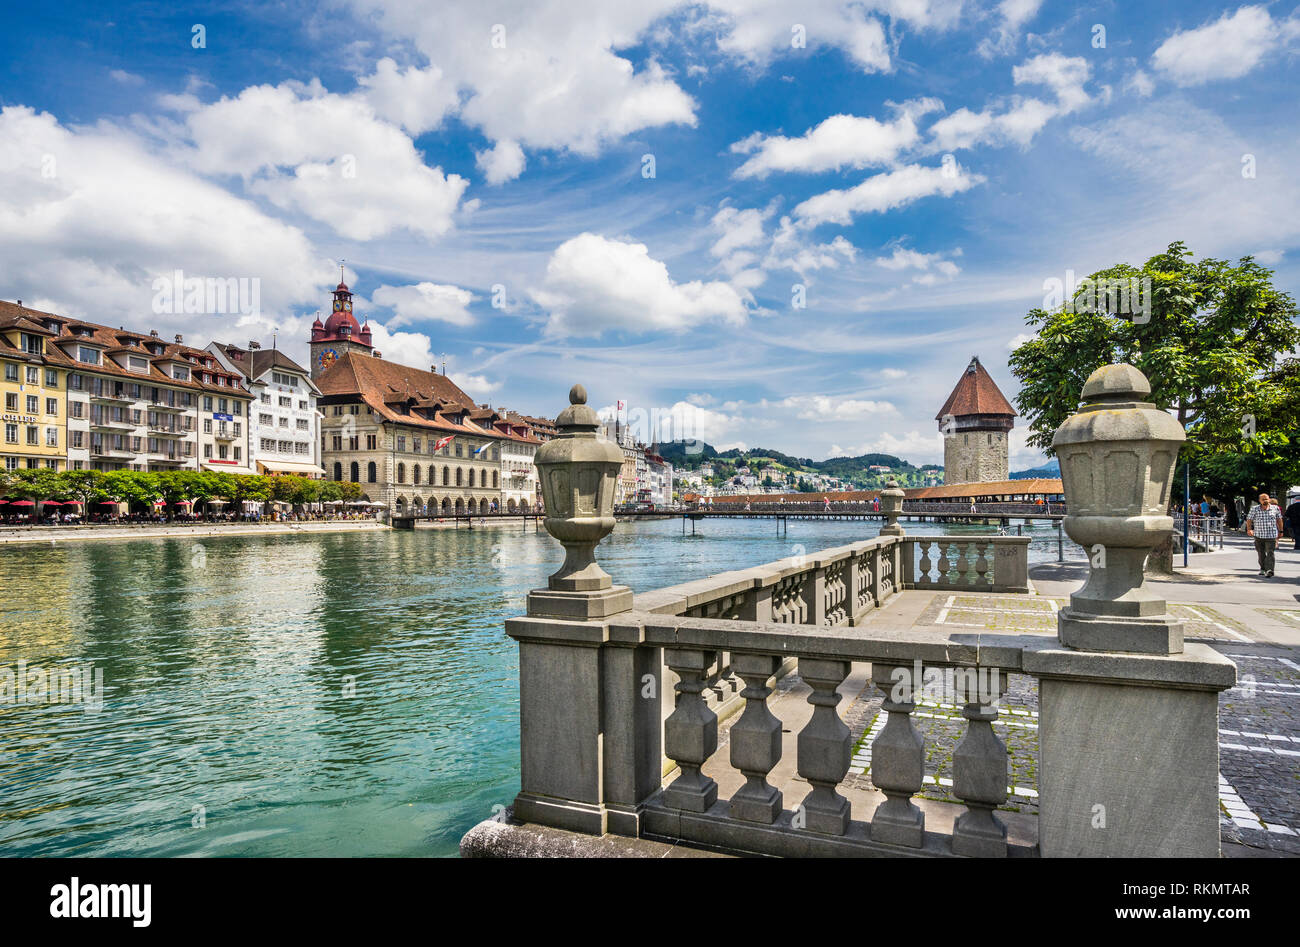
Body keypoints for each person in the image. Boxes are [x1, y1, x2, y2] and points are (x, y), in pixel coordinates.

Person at [1245, 493, 1284, 577]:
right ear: (1259, 501)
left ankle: (1270, 570)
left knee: (1270, 552)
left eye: (1266, 499)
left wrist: (1281, 531)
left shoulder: (1275, 508)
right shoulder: (1254, 509)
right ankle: (1263, 568)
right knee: (1261, 553)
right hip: (1259, 535)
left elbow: (1279, 520)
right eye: (1263, 499)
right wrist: (1249, 529)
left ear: (1269, 499)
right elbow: (1249, 519)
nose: (1265, 501)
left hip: (1271, 535)